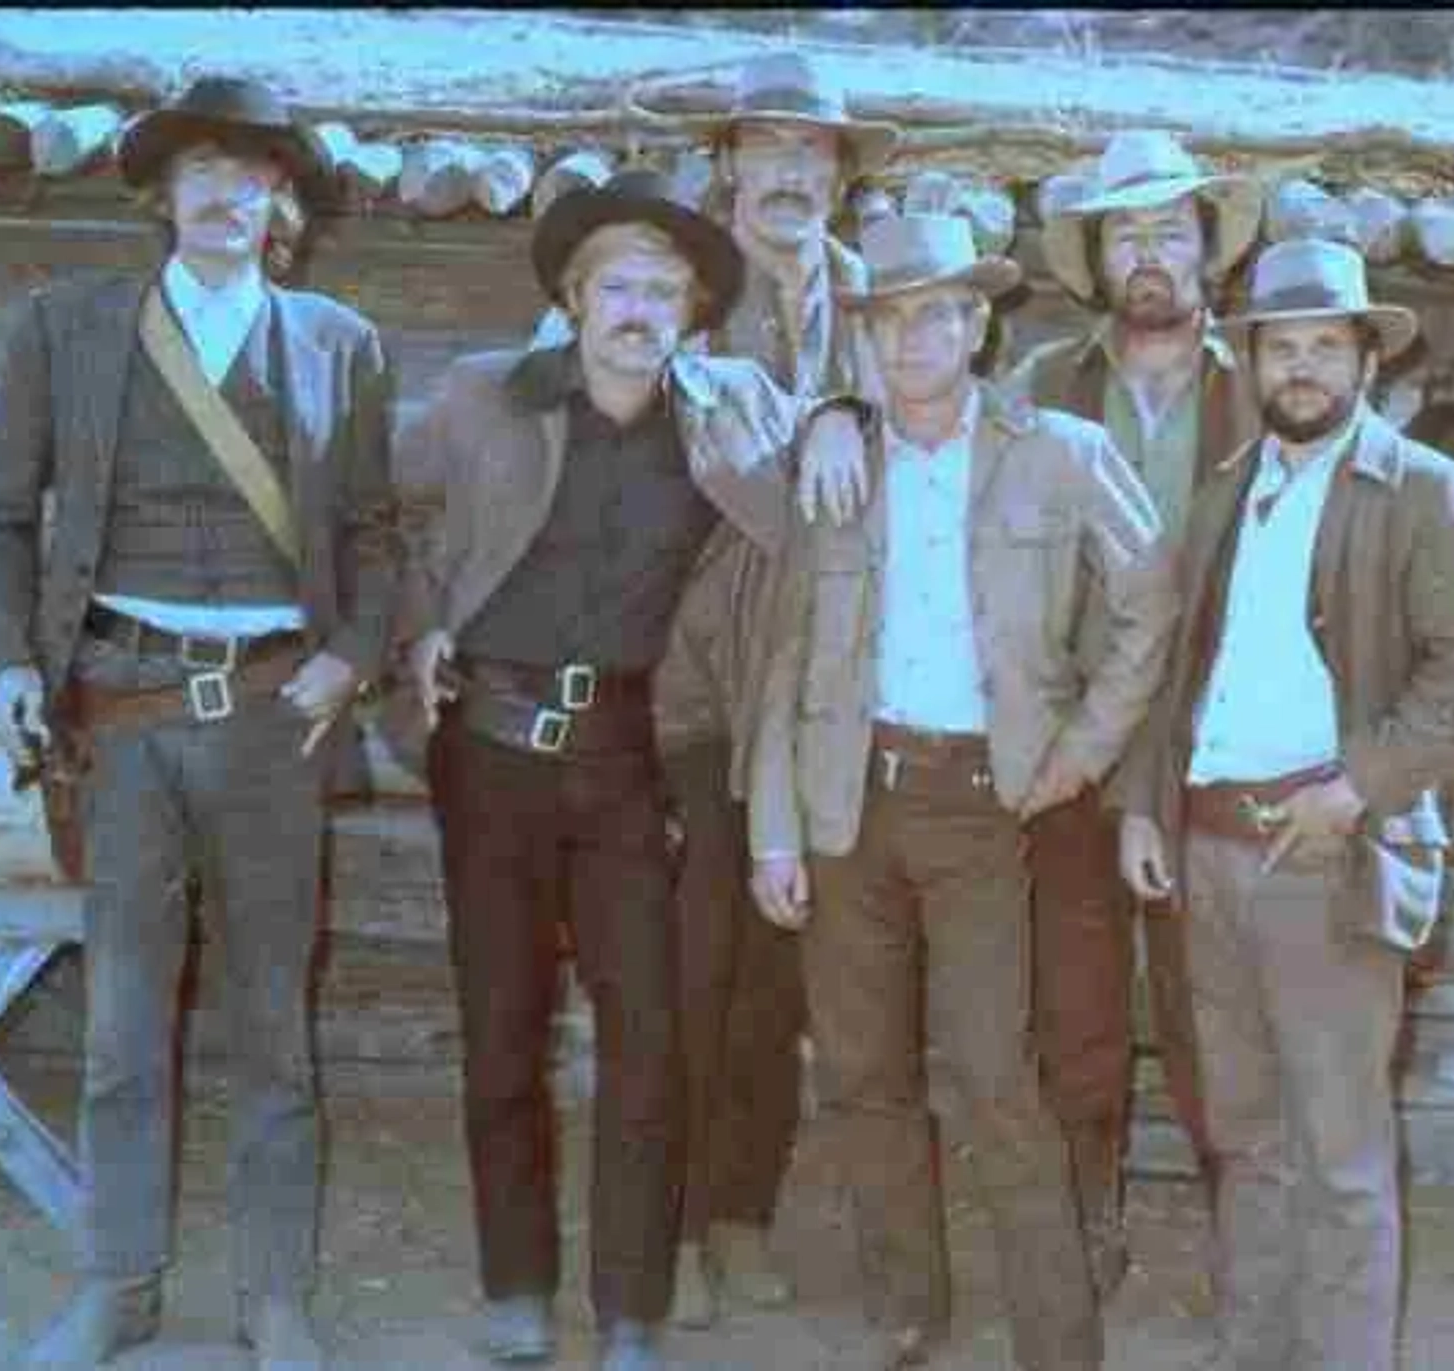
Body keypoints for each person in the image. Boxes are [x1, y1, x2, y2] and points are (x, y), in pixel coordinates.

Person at [0, 76, 400, 1371]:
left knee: (274, 1024)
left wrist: (351, 655)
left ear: (282, 204)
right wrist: (2, 665)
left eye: (252, 174)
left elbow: (374, 531)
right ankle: (119, 1282)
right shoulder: (69, 325)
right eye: (201, 172)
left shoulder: (339, 342)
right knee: (120, 1027)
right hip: (122, 714)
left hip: (276, 721)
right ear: (162, 194)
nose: (225, 195)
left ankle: (274, 1295)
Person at [397, 167, 856, 1371]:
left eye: (664, 290)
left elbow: (820, 431)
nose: (639, 309)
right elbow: (384, 522)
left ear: (696, 313)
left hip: (629, 768)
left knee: (647, 1044)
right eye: (617, 286)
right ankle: (515, 1288)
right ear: (573, 296)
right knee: (501, 1036)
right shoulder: (479, 399)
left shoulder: (731, 409)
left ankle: (631, 1312)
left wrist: (844, 417)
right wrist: (419, 626)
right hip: (489, 755)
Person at [749, 212, 1170, 1371]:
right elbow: (783, 657)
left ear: (979, 325)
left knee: (996, 1072)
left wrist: (1079, 756)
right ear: (867, 337)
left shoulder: (1062, 453)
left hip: (990, 803)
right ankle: (905, 1312)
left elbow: (1150, 606)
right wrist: (774, 831)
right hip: (849, 803)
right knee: (862, 1071)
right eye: (889, 317)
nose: (912, 338)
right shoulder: (835, 458)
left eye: (936, 312)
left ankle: (1057, 1335)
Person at [1114, 238, 1454, 1371]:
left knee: (1340, 1152)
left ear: (1364, 360)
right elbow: (1172, 672)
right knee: (1243, 1139)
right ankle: (1254, 1349)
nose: (1300, 367)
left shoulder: (1425, 492)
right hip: (1208, 847)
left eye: (1323, 346)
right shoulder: (1220, 496)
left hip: (1328, 851)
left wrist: (1359, 788)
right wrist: (1148, 808)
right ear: (1249, 362)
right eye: (1280, 346)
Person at [650, 51, 892, 1327]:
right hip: (692, 696)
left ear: (841, 177)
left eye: (816, 153)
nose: (792, 172)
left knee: (778, 980)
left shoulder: (876, 300)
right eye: (769, 149)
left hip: (829, 705)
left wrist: (858, 397)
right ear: (727, 163)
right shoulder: (676, 287)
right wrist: (826, 424)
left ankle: (740, 1215)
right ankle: (674, 1228)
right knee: (692, 972)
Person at [1001, 128, 1263, 1293]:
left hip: (1222, 752)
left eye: (1171, 230)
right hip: (1073, 752)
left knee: (1220, 1023)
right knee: (1078, 1013)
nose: (1149, 254)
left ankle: (1245, 1248)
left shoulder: (1265, 386)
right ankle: (1083, 1229)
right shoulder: (1041, 388)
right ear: (1095, 262)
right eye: (1126, 235)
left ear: (1209, 252)